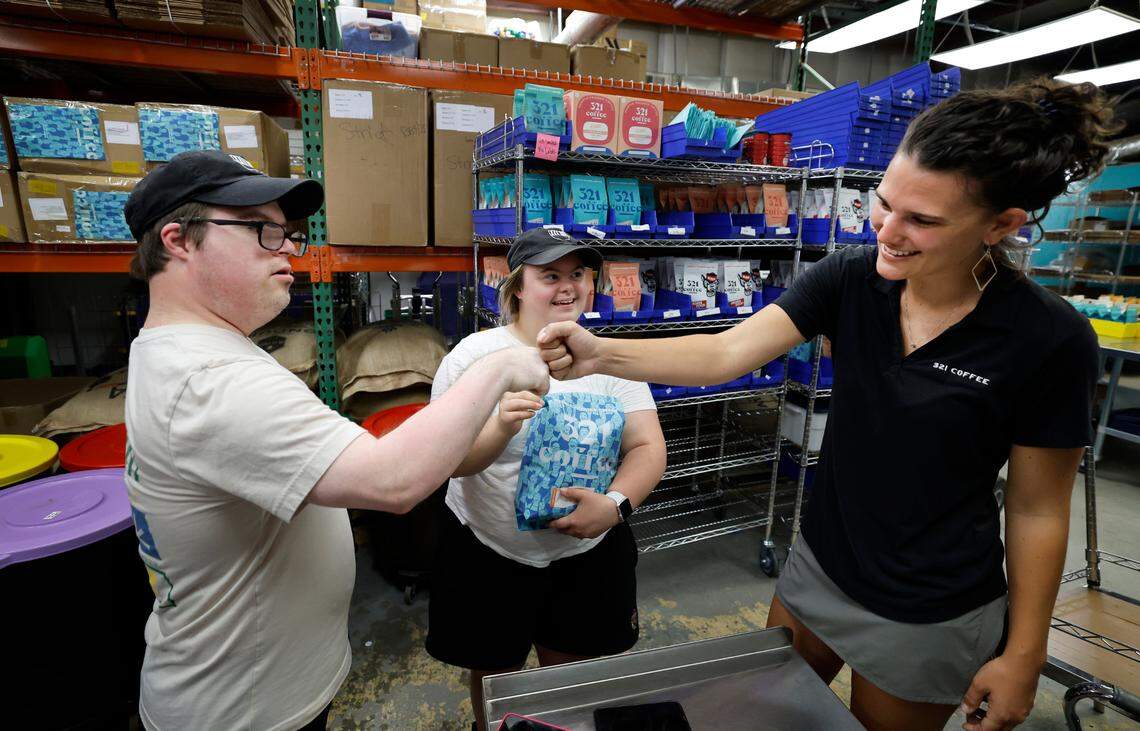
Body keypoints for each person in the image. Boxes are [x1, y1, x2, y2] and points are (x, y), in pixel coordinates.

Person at [537, 79, 1118, 731]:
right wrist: (599, 352)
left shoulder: (1049, 339)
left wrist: (1025, 653)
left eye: (921, 220)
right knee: (766, 710)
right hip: (820, 561)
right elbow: (725, 352)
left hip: (929, 605)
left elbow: (1038, 508)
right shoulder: (850, 277)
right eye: (884, 202)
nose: (888, 233)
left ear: (1001, 225)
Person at [121, 151, 549, 730]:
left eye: (288, 234)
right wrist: (498, 368)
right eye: (262, 231)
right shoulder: (209, 381)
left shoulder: (191, 349)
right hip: (243, 711)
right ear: (178, 240)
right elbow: (392, 481)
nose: (289, 249)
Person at [425, 229, 667, 730]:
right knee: (498, 678)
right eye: (549, 275)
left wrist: (616, 505)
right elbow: (447, 462)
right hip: (489, 549)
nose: (567, 287)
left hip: (585, 555)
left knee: (567, 675)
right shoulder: (473, 357)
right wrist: (500, 426)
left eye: (577, 274)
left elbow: (648, 447)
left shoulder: (609, 358)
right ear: (517, 286)